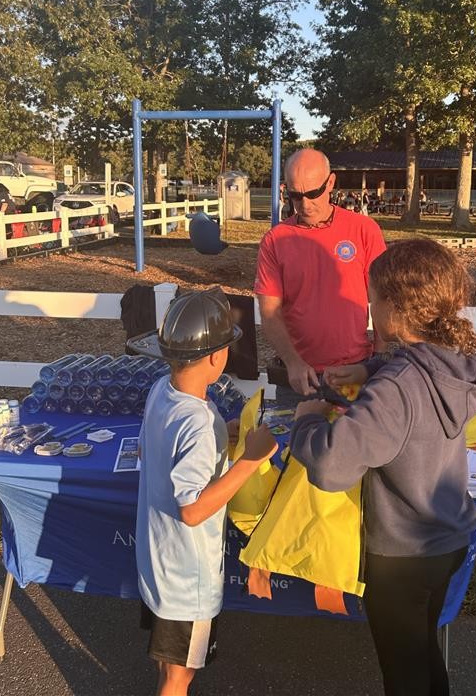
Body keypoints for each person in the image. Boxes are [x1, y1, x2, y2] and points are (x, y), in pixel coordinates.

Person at [289, 238, 476, 696]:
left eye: (373, 299)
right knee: (422, 653)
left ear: (396, 308)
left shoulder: (398, 387)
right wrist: (370, 368)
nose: (370, 307)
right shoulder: (458, 357)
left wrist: (306, 425)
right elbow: (415, 371)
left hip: (403, 557)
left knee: (403, 675)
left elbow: (332, 465)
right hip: (450, 536)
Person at [129, 287, 277, 696]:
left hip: (158, 559)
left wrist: (220, 436)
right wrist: (248, 460)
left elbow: (152, 447)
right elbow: (192, 510)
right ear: (216, 357)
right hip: (187, 577)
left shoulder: (164, 390)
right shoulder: (195, 420)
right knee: (181, 675)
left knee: (168, 662)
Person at [255, 149, 386, 404]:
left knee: (354, 443)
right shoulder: (275, 240)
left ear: (331, 183)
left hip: (352, 374)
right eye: (295, 195)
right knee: (294, 443)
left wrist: (379, 359)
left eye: (313, 193)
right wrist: (293, 362)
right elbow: (270, 311)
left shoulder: (363, 230)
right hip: (298, 379)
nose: (305, 204)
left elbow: (384, 296)